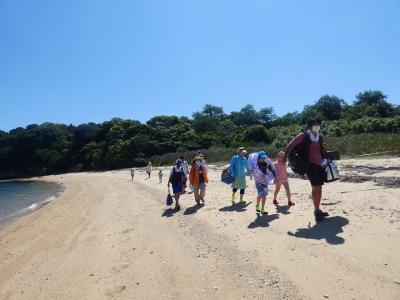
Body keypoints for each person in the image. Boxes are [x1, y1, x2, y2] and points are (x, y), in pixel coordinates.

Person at [283, 117, 328, 222]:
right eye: (314, 124)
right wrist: (284, 157)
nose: (317, 126)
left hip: (320, 164)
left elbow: (322, 150)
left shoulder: (320, 136)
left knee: (320, 188)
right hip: (310, 165)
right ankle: (316, 211)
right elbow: (290, 145)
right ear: (310, 126)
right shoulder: (303, 135)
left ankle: (318, 209)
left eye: (318, 124)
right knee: (315, 187)